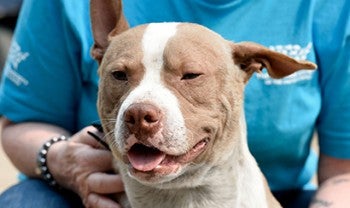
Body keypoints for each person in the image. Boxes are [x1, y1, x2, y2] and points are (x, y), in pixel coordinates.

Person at [0, 0, 349, 207]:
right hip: (93, 191)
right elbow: (22, 121)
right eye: (121, 75)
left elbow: (343, 175)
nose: (142, 109)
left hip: (279, 191)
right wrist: (58, 158)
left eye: (191, 76)